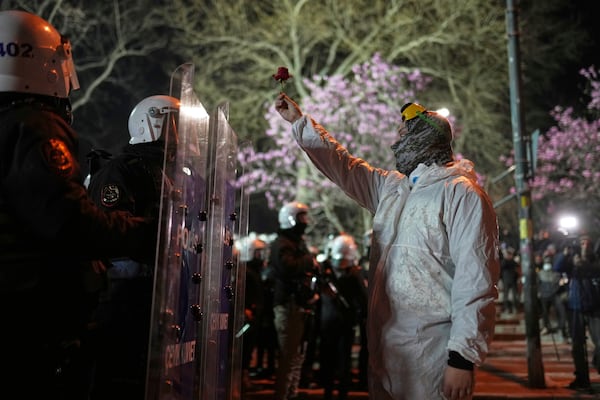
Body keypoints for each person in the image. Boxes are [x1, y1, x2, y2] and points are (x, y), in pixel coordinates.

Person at [275, 95, 500, 400]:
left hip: (432, 352)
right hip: (385, 348)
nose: (398, 143)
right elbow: (345, 167)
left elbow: (476, 277)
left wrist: (462, 357)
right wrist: (300, 123)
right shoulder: (393, 188)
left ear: (424, 139)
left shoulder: (462, 195)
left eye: (405, 135)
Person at [0, 10, 156, 400]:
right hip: (30, 321)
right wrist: (147, 231)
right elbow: (66, 219)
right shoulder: (33, 127)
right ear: (45, 65)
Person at [86, 95, 179, 399]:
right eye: (173, 124)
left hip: (157, 289)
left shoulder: (169, 173)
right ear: (149, 123)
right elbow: (111, 228)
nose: (179, 133)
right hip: (124, 292)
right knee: (120, 377)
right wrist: (157, 232)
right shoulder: (120, 171)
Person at [270, 201, 320, 400]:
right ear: (291, 219)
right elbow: (287, 267)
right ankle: (283, 394)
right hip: (288, 306)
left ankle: (292, 393)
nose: (306, 221)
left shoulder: (297, 242)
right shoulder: (282, 243)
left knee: (297, 357)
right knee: (288, 357)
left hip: (299, 305)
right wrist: (309, 261)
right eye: (302, 217)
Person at [318, 233, 368, 400]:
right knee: (337, 360)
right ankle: (335, 391)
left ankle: (335, 391)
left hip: (338, 321)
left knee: (337, 360)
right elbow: (363, 298)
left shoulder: (329, 270)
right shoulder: (350, 273)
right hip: (338, 321)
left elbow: (362, 299)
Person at [556, 233, 600, 391]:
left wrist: (584, 263)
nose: (585, 245)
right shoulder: (571, 260)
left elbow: (595, 270)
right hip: (576, 305)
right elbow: (558, 267)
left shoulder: (595, 259)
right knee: (577, 345)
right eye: (582, 242)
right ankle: (582, 378)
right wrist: (566, 253)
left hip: (595, 306)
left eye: (587, 242)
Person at [234, 234, 268, 392]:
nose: (260, 257)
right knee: (243, 349)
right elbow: (242, 292)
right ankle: (240, 379)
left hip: (254, 316)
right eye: (258, 253)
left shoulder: (255, 270)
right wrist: (246, 308)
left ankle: (244, 377)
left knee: (249, 350)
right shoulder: (246, 271)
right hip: (247, 317)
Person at [500, 247, 521, 314]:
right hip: (506, 280)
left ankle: (515, 308)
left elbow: (517, 266)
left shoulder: (513, 262)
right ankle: (506, 308)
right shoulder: (504, 261)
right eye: (508, 254)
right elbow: (502, 268)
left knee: (515, 296)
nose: (509, 256)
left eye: (510, 254)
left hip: (513, 280)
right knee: (505, 296)